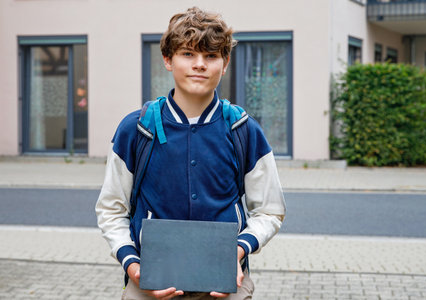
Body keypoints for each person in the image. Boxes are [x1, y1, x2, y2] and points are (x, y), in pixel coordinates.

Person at [95, 7, 286, 300]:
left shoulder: (243, 130)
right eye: (188, 54)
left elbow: (270, 210)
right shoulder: (136, 129)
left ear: (225, 64)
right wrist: (133, 264)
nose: (199, 64)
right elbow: (111, 209)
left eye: (210, 56)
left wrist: (237, 251)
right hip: (149, 283)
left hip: (225, 283)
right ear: (168, 60)